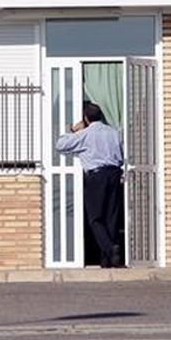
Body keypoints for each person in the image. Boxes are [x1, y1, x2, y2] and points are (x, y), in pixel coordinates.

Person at [56, 101, 125, 268]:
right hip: (114, 174)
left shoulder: (86, 134)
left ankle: (110, 248)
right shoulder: (114, 133)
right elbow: (122, 155)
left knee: (95, 218)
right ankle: (108, 260)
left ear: (86, 118)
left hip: (96, 177)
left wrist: (72, 131)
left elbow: (60, 145)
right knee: (112, 216)